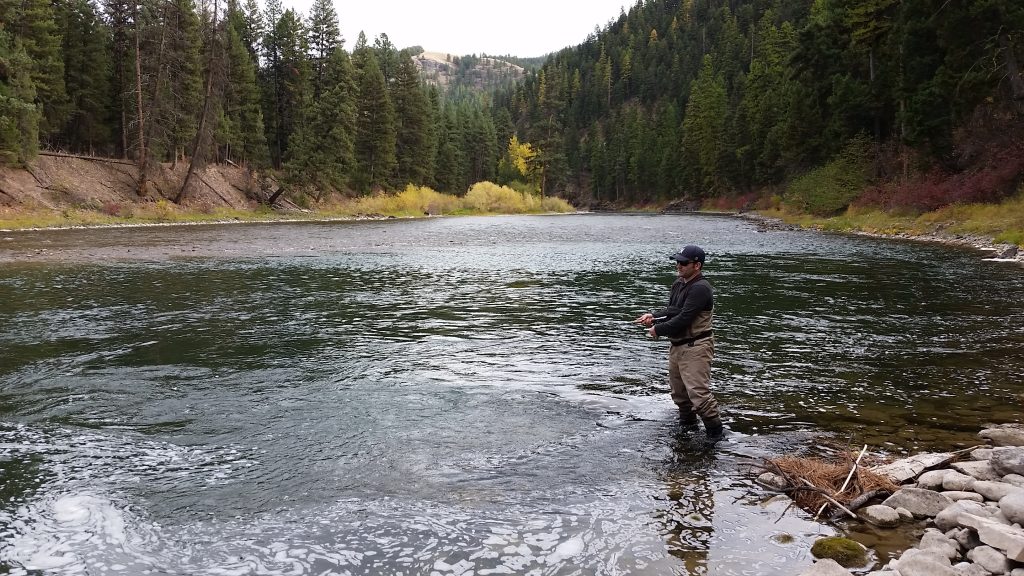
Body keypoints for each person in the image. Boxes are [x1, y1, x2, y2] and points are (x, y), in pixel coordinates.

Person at [634, 245, 723, 440]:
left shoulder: (701, 288)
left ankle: (716, 436)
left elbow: (685, 318)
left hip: (696, 347)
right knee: (680, 395)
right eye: (677, 261)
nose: (678, 265)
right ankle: (688, 428)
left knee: (699, 396)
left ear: (697, 265)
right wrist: (654, 316)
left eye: (683, 262)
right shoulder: (678, 284)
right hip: (677, 346)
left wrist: (657, 329)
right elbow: (673, 310)